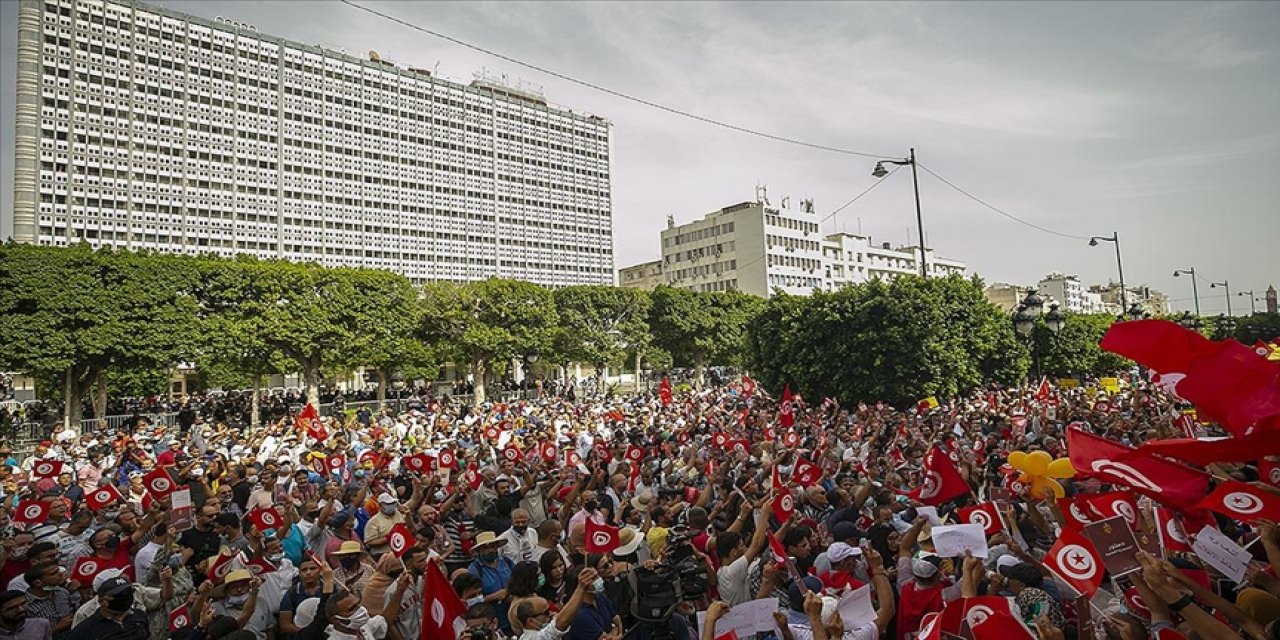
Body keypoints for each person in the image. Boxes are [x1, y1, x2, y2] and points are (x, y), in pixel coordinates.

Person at [512, 567, 598, 640]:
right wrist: (581, 588)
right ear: (531, 621)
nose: (552, 614)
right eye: (546, 613)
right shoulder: (531, 638)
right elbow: (560, 624)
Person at [62, 576, 148, 640]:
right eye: (120, 595)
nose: (126, 597)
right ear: (103, 602)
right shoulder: (87, 629)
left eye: (129, 592)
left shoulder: (139, 616)